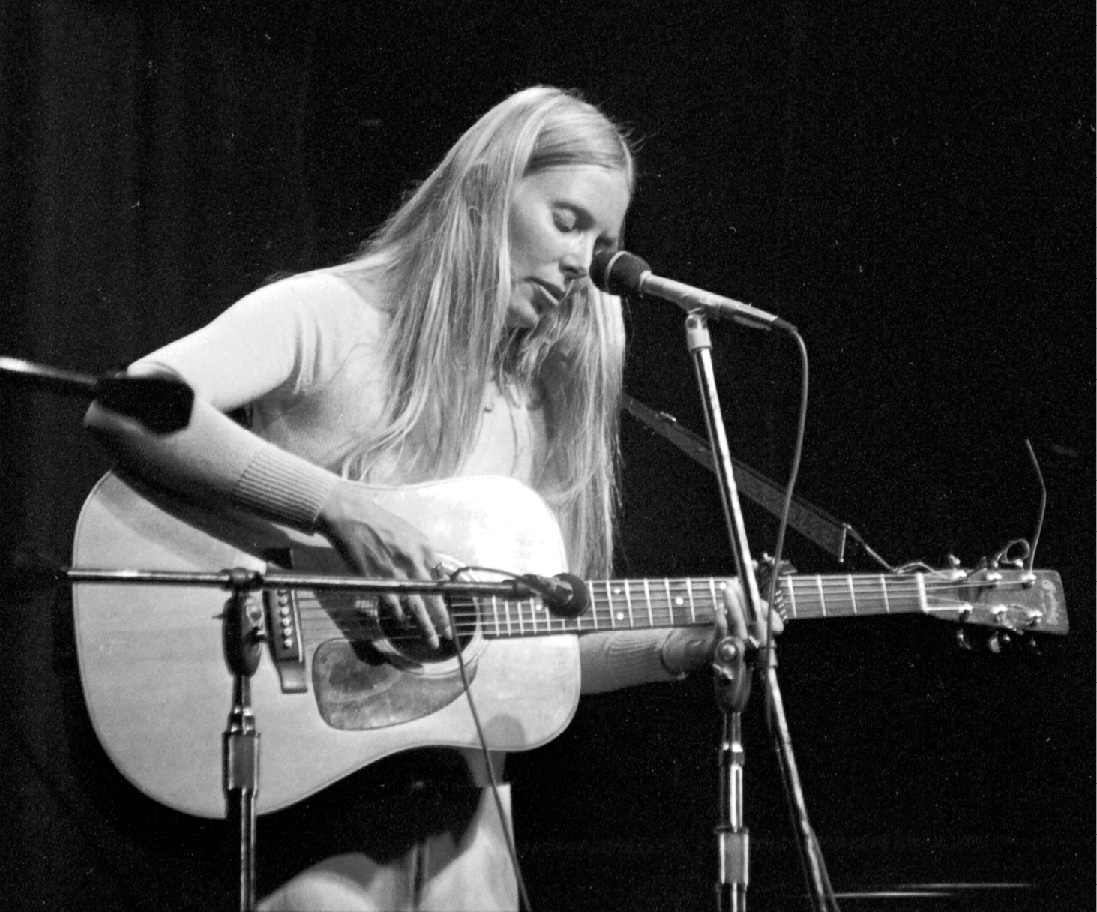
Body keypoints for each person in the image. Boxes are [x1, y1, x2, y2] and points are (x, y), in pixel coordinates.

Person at [85, 86, 769, 912]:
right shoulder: (330, 316)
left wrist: (674, 650)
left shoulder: (537, 403)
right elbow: (126, 404)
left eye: (604, 241)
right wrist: (336, 506)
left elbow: (534, 648)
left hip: (469, 841)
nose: (583, 264)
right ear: (487, 185)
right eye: (567, 220)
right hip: (311, 840)